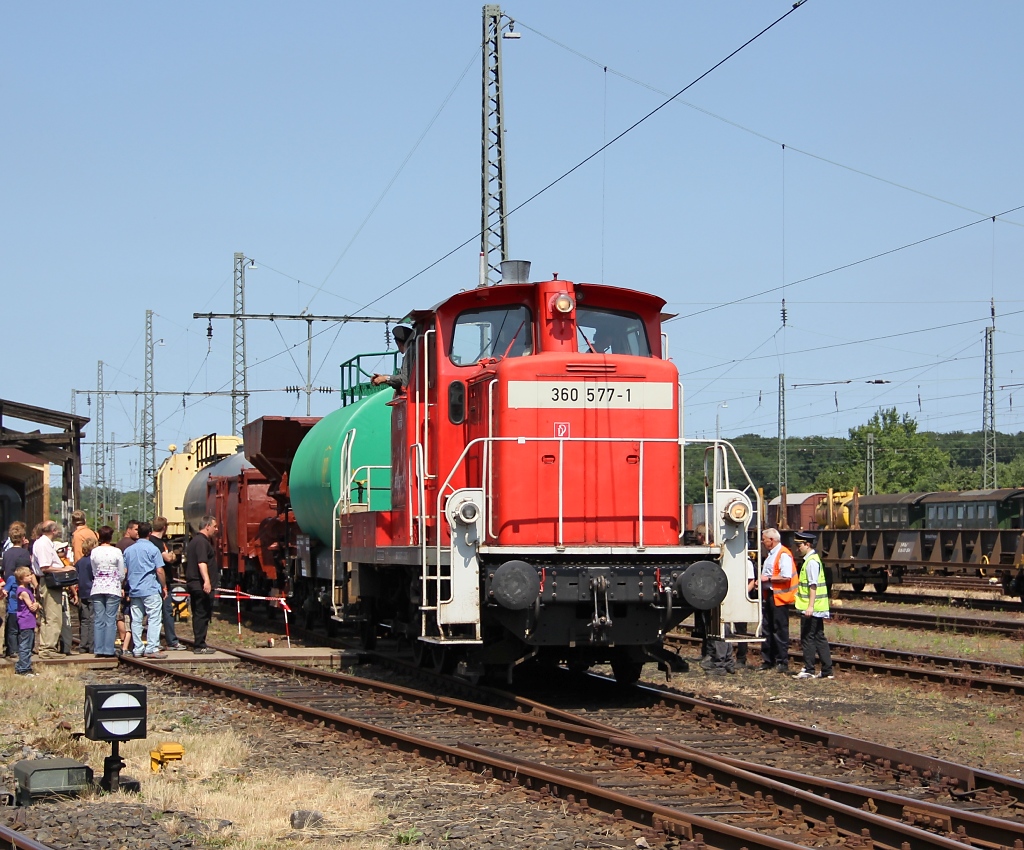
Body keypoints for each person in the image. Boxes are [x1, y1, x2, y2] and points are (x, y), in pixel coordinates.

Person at [792, 531, 835, 680]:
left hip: (811, 608)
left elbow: (813, 585)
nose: (798, 548)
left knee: (808, 637)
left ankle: (809, 669)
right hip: (818, 607)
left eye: (799, 545)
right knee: (819, 637)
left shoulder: (811, 562)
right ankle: (827, 670)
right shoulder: (812, 560)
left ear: (807, 545)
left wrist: (810, 606)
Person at [124, 521, 168, 659]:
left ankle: (138, 648)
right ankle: (152, 647)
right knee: (154, 618)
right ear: (149, 533)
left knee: (136, 620)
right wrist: (164, 586)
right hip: (150, 588)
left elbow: (124, 571)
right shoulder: (154, 549)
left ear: (138, 533)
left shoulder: (128, 550)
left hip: (135, 589)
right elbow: (159, 570)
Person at [31, 520, 75, 658]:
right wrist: (64, 568)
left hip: (48, 581)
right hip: (50, 581)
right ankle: (48, 649)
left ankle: (46, 647)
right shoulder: (43, 544)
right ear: (53, 531)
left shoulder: (43, 543)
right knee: (53, 617)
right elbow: (45, 567)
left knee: (47, 617)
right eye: (56, 529)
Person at [758, 527, 797, 673]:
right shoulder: (771, 554)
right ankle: (769, 660)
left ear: (772, 540)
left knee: (779, 630)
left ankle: (782, 661)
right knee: (767, 629)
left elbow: (786, 576)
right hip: (770, 596)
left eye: (764, 540)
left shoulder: (783, 554)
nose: (762, 542)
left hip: (779, 598)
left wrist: (766, 579)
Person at [89, 525, 126, 658]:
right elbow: (121, 572)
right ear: (111, 537)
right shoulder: (116, 551)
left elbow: (93, 570)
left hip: (97, 586)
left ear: (99, 536)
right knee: (110, 619)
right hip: (113, 587)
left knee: (99, 619)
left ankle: (98, 649)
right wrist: (118, 580)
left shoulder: (94, 552)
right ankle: (108, 649)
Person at [185, 515, 219, 654]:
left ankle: (200, 643)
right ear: (207, 526)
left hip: (196, 584)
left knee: (201, 614)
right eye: (215, 526)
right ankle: (199, 645)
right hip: (200, 585)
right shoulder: (201, 542)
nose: (216, 529)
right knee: (201, 614)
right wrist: (207, 581)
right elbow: (202, 562)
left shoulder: (196, 541)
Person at [150, 516, 183, 650]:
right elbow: (168, 558)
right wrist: (174, 554)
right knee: (166, 611)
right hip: (162, 581)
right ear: (164, 527)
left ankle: (154, 640)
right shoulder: (159, 543)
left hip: (151, 581)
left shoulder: (148, 541)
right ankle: (171, 641)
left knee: (152, 613)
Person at [13, 565, 41, 676]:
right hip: (26, 620)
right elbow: (32, 607)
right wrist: (37, 604)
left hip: (30, 620)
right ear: (21, 579)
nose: (30, 577)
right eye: (28, 576)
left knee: (29, 644)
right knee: (25, 645)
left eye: (30, 575)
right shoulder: (23, 592)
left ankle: (25, 666)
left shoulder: (27, 589)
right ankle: (23, 669)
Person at [370, 325, 413, 391]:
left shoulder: (410, 354)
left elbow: (405, 378)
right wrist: (383, 378)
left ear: (398, 343)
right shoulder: (410, 353)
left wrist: (385, 378)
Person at [75, 537, 96, 654]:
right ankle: (92, 646)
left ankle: (83, 646)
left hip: (82, 593)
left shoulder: (80, 562)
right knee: (93, 619)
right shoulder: (92, 562)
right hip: (92, 591)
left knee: (84, 620)